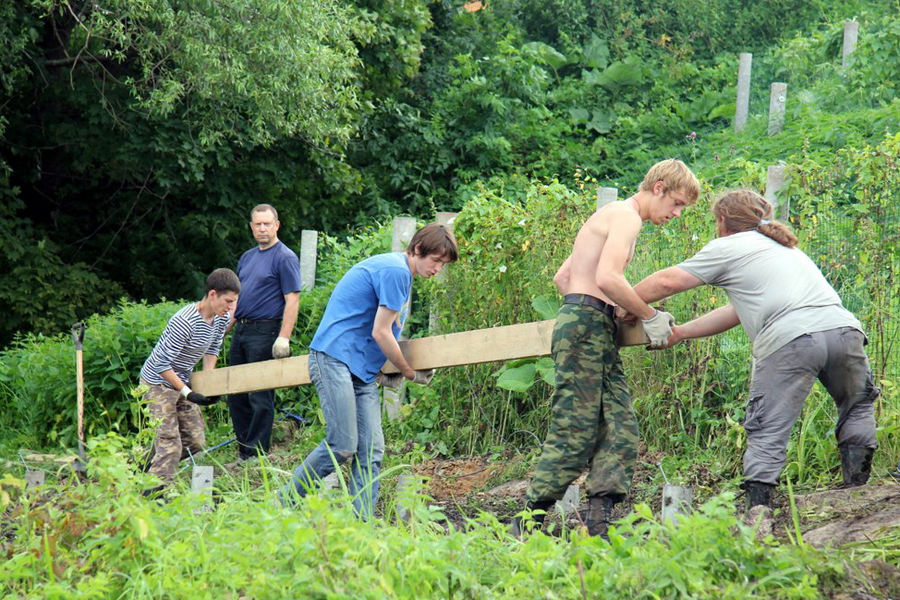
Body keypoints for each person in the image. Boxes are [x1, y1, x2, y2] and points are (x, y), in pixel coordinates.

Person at [629, 189, 878, 522]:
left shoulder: (729, 246)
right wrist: (682, 332)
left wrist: (621, 303)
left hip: (792, 339)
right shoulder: (786, 249)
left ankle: (758, 512)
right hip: (844, 330)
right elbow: (735, 311)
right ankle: (858, 489)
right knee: (857, 403)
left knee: (767, 426)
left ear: (723, 221)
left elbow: (666, 282)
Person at [511, 159, 701, 539]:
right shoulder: (626, 217)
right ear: (659, 187)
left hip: (591, 324)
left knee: (620, 424)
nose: (677, 214)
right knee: (575, 428)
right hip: (585, 326)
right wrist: (647, 315)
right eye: (677, 203)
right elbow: (608, 277)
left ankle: (598, 523)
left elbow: (564, 277)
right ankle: (525, 523)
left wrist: (596, 308)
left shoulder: (611, 216)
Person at [279, 223, 459, 518]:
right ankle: (283, 502)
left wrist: (384, 369)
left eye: (443, 264)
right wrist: (409, 372)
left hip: (360, 371)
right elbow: (381, 333)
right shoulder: (396, 271)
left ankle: (361, 525)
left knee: (371, 451)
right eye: (435, 260)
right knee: (343, 445)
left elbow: (376, 331)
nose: (438, 268)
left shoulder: (400, 273)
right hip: (333, 359)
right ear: (416, 249)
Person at [139, 268, 240, 491]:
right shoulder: (185, 321)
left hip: (182, 380)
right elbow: (161, 364)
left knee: (195, 442)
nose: (231, 308)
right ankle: (154, 493)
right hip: (157, 383)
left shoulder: (220, 320)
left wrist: (208, 384)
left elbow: (213, 349)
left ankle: (142, 467)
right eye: (228, 301)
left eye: (234, 302)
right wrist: (188, 393)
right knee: (170, 445)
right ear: (212, 295)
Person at [228, 204, 302, 462]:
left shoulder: (285, 257)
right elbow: (235, 300)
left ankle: (258, 454)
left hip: (265, 329)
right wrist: (221, 332)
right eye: (257, 224)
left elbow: (292, 299)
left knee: (259, 393)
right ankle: (244, 451)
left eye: (267, 224)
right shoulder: (247, 258)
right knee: (235, 391)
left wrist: (284, 336)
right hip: (241, 329)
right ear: (251, 227)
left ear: (276, 225)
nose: (262, 228)